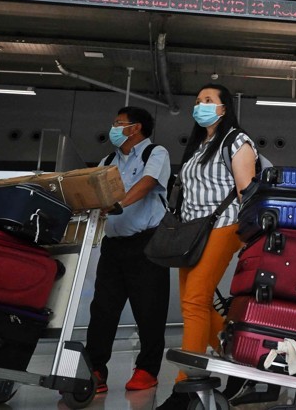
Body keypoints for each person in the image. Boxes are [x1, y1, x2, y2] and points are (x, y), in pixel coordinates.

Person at [157, 84, 259, 410]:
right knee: (197, 304)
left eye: (208, 101)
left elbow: (247, 193)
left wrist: (251, 239)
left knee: (195, 301)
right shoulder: (199, 145)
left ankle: (184, 388)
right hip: (192, 231)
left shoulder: (237, 142)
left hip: (225, 226)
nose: (200, 105)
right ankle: (240, 359)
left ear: (224, 107)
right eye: (197, 100)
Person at [85, 106, 171, 394]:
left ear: (136, 128)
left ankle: (147, 369)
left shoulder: (155, 153)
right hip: (113, 247)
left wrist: (120, 204)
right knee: (102, 310)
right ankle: (95, 369)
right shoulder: (107, 160)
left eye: (119, 123)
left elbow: (147, 184)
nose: (114, 127)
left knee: (149, 310)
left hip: (147, 245)